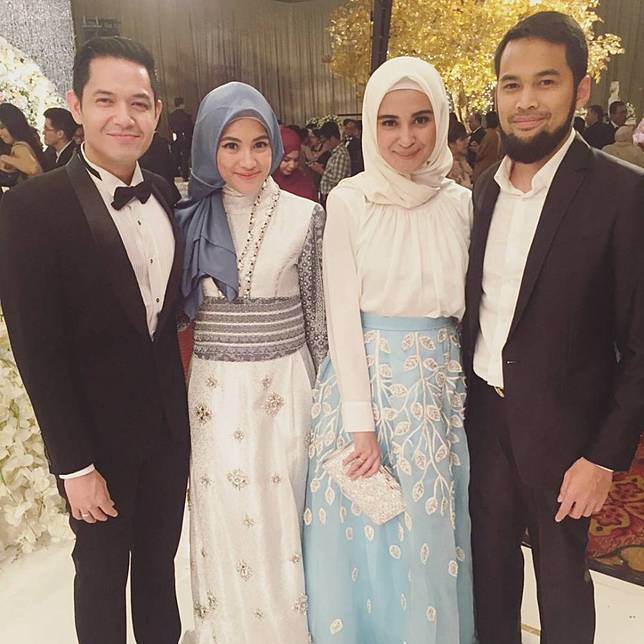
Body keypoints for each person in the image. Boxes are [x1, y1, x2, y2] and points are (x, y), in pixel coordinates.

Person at [461, 12, 644, 644]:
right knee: (488, 579)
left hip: (568, 439)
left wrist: (604, 457)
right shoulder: (482, 191)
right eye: (511, 85)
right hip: (483, 422)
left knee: (563, 592)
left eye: (546, 81)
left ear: (580, 89)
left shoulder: (623, 195)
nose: (526, 101)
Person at [0, 37, 190, 644]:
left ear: (155, 111)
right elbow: (37, 351)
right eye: (106, 100)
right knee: (102, 578)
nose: (124, 117)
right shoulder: (31, 209)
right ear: (76, 105)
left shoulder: (164, 192)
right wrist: (74, 465)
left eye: (139, 102)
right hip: (96, 447)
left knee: (160, 572)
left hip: (167, 434)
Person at [303, 56, 475, 644]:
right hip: (367, 387)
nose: (406, 137)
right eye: (389, 121)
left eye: (421, 119)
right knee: (370, 534)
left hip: (438, 390)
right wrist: (361, 423)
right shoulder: (350, 200)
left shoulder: (459, 201)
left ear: (441, 121)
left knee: (431, 532)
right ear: (370, 125)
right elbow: (341, 316)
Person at [176, 81, 327, 644]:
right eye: (231, 145)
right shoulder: (187, 218)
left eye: (259, 144)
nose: (247, 160)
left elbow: (318, 317)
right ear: (208, 146)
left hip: (285, 389)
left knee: (287, 512)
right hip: (215, 394)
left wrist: (333, 401)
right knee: (223, 513)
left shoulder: (306, 215)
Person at [0, 103, 45, 181]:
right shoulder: (27, 141)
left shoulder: (19, 147)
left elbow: (34, 169)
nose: (0, 133)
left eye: (2, 127)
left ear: (12, 124)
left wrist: (4, 158)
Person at [273, 124, 317, 201]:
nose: (292, 165)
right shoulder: (264, 183)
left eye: (296, 160)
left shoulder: (303, 182)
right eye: (286, 160)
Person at [140, 129, 182, 202]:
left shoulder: (139, 146)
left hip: (146, 189)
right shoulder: (163, 143)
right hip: (165, 186)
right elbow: (171, 168)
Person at [315, 120, 350, 206]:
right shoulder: (335, 153)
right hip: (328, 195)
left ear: (332, 139)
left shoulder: (341, 154)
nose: (324, 145)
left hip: (335, 197)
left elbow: (337, 180)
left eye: (324, 142)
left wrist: (321, 171)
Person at [472, 110, 503, 183]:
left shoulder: (489, 135)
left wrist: (477, 149)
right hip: (496, 165)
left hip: (486, 167)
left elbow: (481, 153)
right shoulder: (499, 134)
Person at [169, 96, 193, 180]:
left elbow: (171, 128)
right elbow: (190, 128)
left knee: (176, 156)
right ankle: (185, 174)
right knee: (185, 157)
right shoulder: (186, 116)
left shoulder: (171, 116)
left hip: (176, 138)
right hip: (186, 139)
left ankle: (175, 173)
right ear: (182, 105)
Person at [448, 121, 473, 188]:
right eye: (462, 139)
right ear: (451, 144)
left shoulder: (462, 161)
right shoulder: (448, 167)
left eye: (466, 138)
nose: (467, 141)